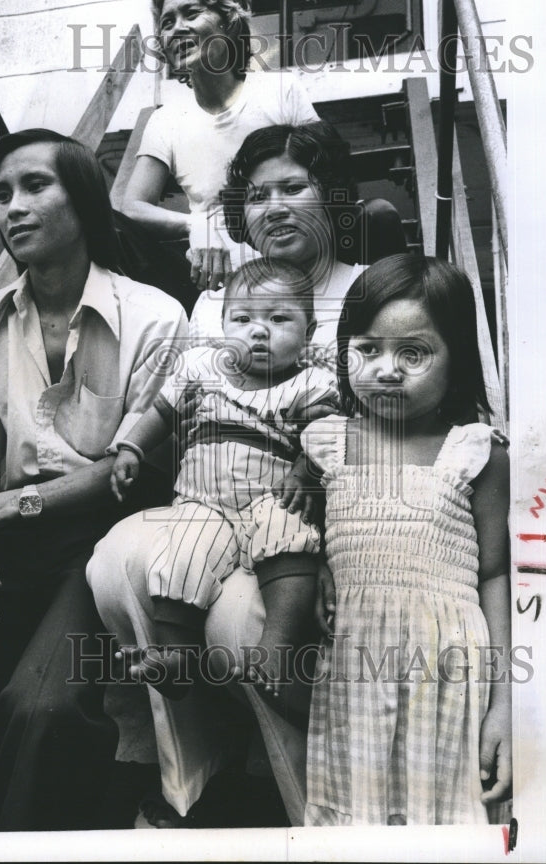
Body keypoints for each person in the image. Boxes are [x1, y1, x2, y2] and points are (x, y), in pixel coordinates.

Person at [0, 128, 188, 833]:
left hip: (102, 544)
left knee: (42, 711)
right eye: (0, 193)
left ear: (82, 200)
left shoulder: (155, 318)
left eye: (34, 186)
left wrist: (3, 509)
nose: (11, 207)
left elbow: (129, 471)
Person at [87, 122, 380, 828]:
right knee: (116, 563)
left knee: (247, 624)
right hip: (214, 494)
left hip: (313, 504)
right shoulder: (219, 298)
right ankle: (192, 777)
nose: (274, 206)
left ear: (330, 194)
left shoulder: (367, 289)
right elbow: (179, 399)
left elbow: (376, 421)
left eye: (294, 187)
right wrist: (131, 450)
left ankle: (323, 807)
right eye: (257, 195)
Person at [301, 254, 511, 825]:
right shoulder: (325, 444)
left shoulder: (475, 452)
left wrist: (504, 707)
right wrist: (321, 561)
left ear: (456, 359)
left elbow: (494, 574)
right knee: (352, 819)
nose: (387, 369)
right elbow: (306, 528)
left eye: (413, 353)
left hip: (445, 673)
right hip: (352, 668)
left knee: (439, 819)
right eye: (368, 349)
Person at [109, 262, 338, 698]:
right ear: (223, 325)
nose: (258, 331)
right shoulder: (201, 367)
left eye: (278, 318)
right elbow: (160, 412)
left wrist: (306, 470)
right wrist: (131, 448)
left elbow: (329, 435)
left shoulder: (311, 383)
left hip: (272, 496)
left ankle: (277, 645)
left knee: (290, 530)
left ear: (308, 334)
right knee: (182, 547)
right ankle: (176, 655)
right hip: (203, 501)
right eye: (243, 319)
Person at [123, 0, 407, 299]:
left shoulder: (279, 90)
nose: (176, 30)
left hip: (289, 240)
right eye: (167, 23)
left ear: (228, 23)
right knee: (113, 234)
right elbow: (132, 207)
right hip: (217, 265)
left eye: (191, 14)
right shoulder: (166, 119)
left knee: (378, 215)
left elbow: (331, 171)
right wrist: (196, 225)